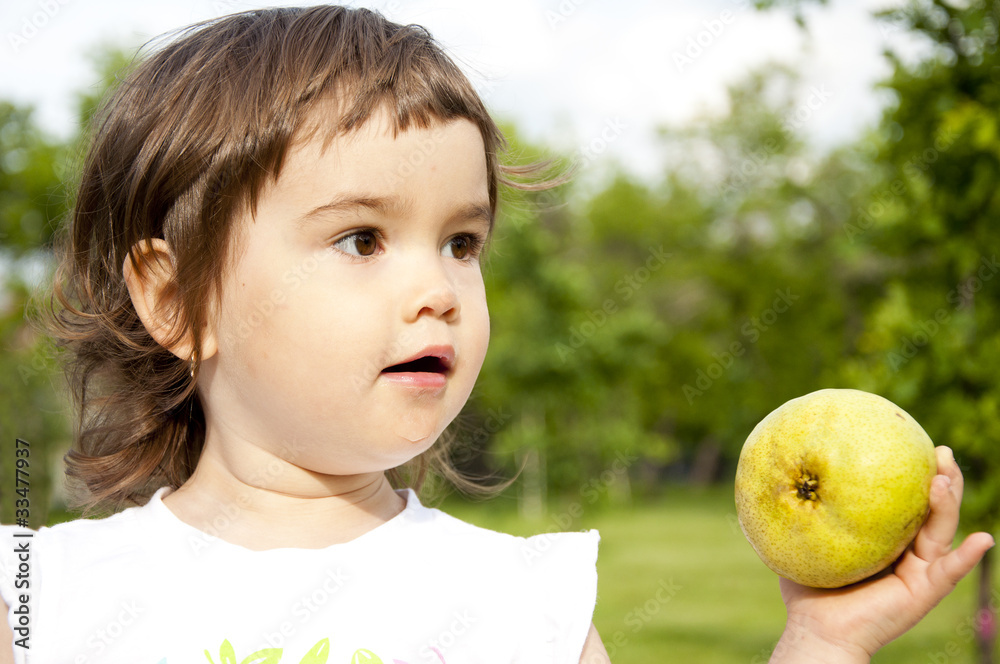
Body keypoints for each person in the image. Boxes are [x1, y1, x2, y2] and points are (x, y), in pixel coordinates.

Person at [0, 5, 992, 664]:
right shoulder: (41, 602)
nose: (436, 287)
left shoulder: (525, 610)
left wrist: (819, 642)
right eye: (361, 237)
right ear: (176, 301)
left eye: (462, 242)